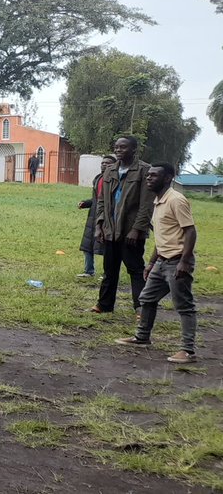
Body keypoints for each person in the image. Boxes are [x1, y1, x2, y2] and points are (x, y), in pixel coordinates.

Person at [114, 163, 199, 364]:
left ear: (168, 178)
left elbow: (190, 231)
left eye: (154, 176)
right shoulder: (158, 200)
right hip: (161, 261)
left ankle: (188, 351)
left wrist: (185, 261)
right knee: (147, 298)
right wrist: (151, 263)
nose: (149, 178)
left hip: (177, 261)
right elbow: (162, 236)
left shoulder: (176, 200)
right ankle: (142, 337)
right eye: (148, 175)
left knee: (184, 306)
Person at [90, 136, 153, 315]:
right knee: (109, 270)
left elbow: (146, 205)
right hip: (110, 230)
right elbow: (102, 201)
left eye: (123, 147)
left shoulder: (143, 170)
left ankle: (141, 309)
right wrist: (99, 225)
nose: (118, 150)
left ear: (134, 149)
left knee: (135, 269)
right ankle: (104, 305)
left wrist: (137, 229)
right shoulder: (110, 170)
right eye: (116, 147)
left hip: (130, 232)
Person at [77, 155, 117, 278]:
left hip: (108, 216)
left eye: (108, 163)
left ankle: (108, 273)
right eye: (102, 163)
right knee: (87, 244)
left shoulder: (116, 180)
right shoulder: (98, 178)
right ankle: (89, 271)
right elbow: (97, 199)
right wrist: (86, 203)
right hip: (93, 215)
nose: (104, 165)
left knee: (107, 246)